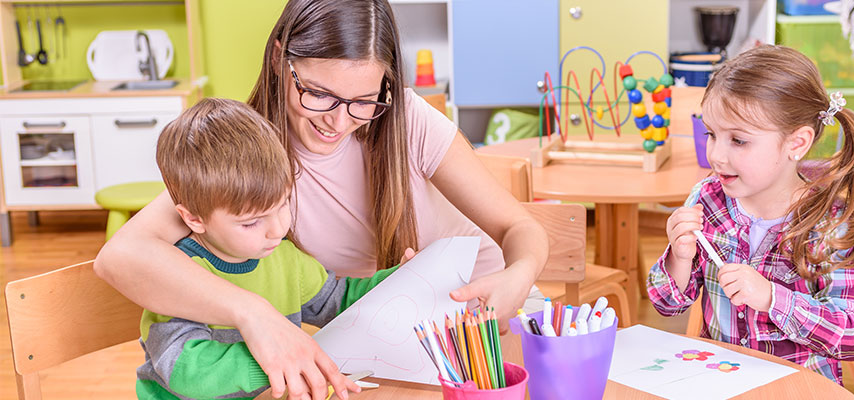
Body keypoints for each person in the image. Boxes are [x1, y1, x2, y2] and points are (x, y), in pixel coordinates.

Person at [95, 1, 548, 399]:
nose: (338, 121)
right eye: (318, 93)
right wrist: (253, 313)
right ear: (279, 59)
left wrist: (519, 276)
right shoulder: (248, 157)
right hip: (394, 344)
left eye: (364, 101)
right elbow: (121, 256)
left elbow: (520, 228)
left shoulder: (405, 119)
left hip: (483, 326)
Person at [646, 45, 854, 384]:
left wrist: (772, 299)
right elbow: (667, 306)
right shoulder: (707, 200)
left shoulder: (832, 223)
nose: (717, 155)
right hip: (720, 382)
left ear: (797, 144)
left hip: (800, 388)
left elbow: (852, 335)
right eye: (712, 134)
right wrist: (679, 259)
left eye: (738, 140)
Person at [137, 98, 397, 399]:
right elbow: (188, 373)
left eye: (283, 203)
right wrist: (278, 359)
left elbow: (339, 302)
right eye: (251, 223)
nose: (278, 229)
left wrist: (405, 277)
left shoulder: (284, 258)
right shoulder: (176, 275)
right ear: (194, 219)